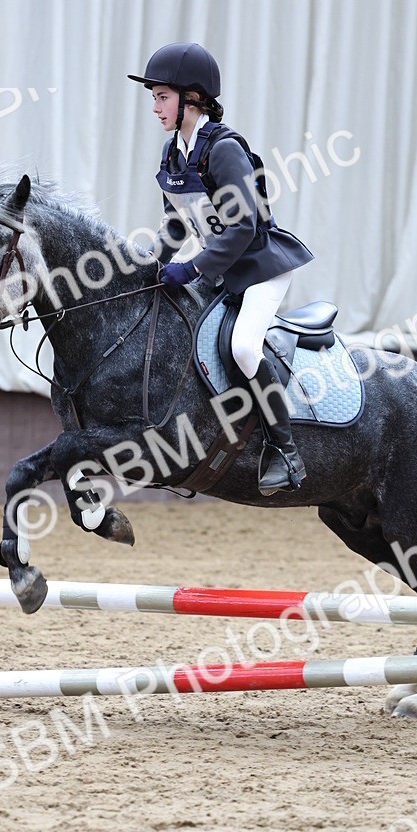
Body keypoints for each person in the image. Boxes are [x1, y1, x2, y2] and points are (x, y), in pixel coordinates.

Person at [129, 42, 314, 495]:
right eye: (153, 97)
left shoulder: (224, 149)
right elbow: (175, 226)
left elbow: (242, 226)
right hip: (220, 269)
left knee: (245, 348)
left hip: (260, 266)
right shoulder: (173, 154)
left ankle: (286, 451)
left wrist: (191, 270)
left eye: (161, 97)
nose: (154, 106)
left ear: (192, 99)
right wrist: (149, 265)